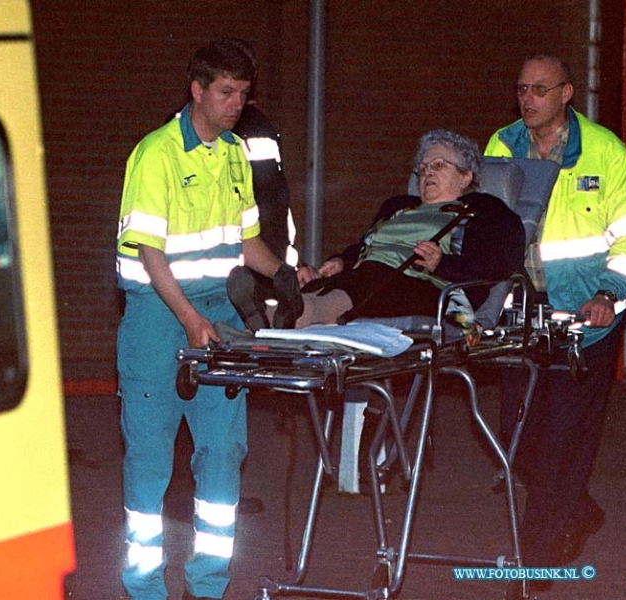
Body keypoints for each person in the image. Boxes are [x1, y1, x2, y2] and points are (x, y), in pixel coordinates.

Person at [115, 39, 300, 600]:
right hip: (158, 314)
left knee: (222, 453)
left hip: (217, 311)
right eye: (226, 93)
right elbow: (150, 253)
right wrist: (192, 321)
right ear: (197, 90)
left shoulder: (235, 154)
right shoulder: (157, 154)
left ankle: (209, 584)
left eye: (243, 94)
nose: (236, 104)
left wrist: (292, 273)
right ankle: (145, 587)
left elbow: (247, 244)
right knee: (150, 457)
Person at [484, 55, 626, 599]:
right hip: (522, 318)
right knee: (516, 437)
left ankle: (533, 566)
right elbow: (486, 227)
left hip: (586, 324)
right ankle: (579, 510)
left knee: (561, 443)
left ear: (566, 94)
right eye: (521, 88)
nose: (527, 98)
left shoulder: (604, 151)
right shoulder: (500, 146)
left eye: (539, 89)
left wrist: (610, 293)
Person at [290, 129, 525, 333]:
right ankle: (290, 308)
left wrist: (441, 263)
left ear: (466, 176)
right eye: (422, 169)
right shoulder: (398, 207)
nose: (427, 173)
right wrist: (342, 261)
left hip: (431, 291)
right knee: (317, 281)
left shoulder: (484, 210)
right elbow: (367, 246)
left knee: (369, 277)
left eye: (438, 165)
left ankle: (304, 313)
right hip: (368, 280)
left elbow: (501, 262)